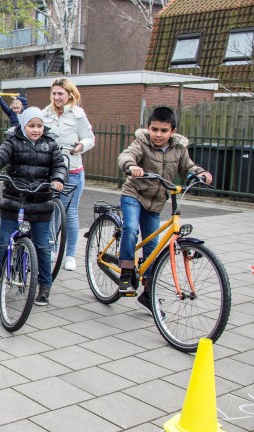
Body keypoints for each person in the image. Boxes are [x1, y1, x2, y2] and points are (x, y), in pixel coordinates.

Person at [117, 106, 212, 312]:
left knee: (153, 248)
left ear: (173, 131)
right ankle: (125, 273)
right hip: (134, 194)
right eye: (154, 129)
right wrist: (131, 165)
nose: (158, 134)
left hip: (157, 201)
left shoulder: (179, 148)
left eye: (163, 130)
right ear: (148, 128)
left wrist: (201, 173)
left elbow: (188, 167)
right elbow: (126, 155)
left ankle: (148, 293)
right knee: (131, 229)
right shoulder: (141, 142)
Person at [0, 107, 67, 306]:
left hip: (41, 202)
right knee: (4, 242)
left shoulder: (51, 144)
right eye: (31, 126)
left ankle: (45, 286)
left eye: (39, 126)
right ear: (23, 125)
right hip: (14, 201)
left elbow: (59, 166)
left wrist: (57, 179)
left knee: (43, 247)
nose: (36, 130)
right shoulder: (13, 142)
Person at [42, 77, 95, 272]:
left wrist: (82, 145)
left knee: (69, 213)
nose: (57, 97)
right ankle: (51, 248)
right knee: (50, 210)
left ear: (70, 94)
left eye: (60, 94)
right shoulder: (45, 113)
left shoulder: (77, 115)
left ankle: (70, 254)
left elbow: (90, 138)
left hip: (72, 170)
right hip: (49, 170)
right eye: (54, 93)